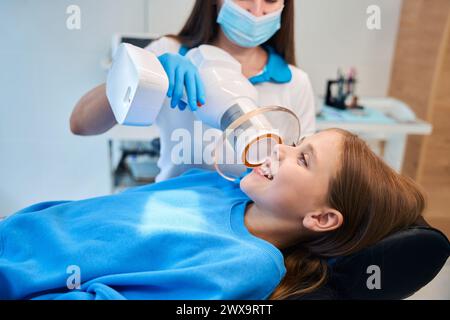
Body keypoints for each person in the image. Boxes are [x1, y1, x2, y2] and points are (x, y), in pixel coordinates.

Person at [0, 129, 424, 300]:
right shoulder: (215, 185)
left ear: (321, 218)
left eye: (303, 160)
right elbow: (96, 217)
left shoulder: (249, 264)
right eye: (296, 143)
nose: (279, 148)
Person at [70, 0, 317, 181]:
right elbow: (80, 123)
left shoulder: (295, 83)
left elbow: (307, 182)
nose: (256, 10)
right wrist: (147, 72)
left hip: (248, 228)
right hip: (172, 217)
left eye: (271, 0)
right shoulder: (170, 52)